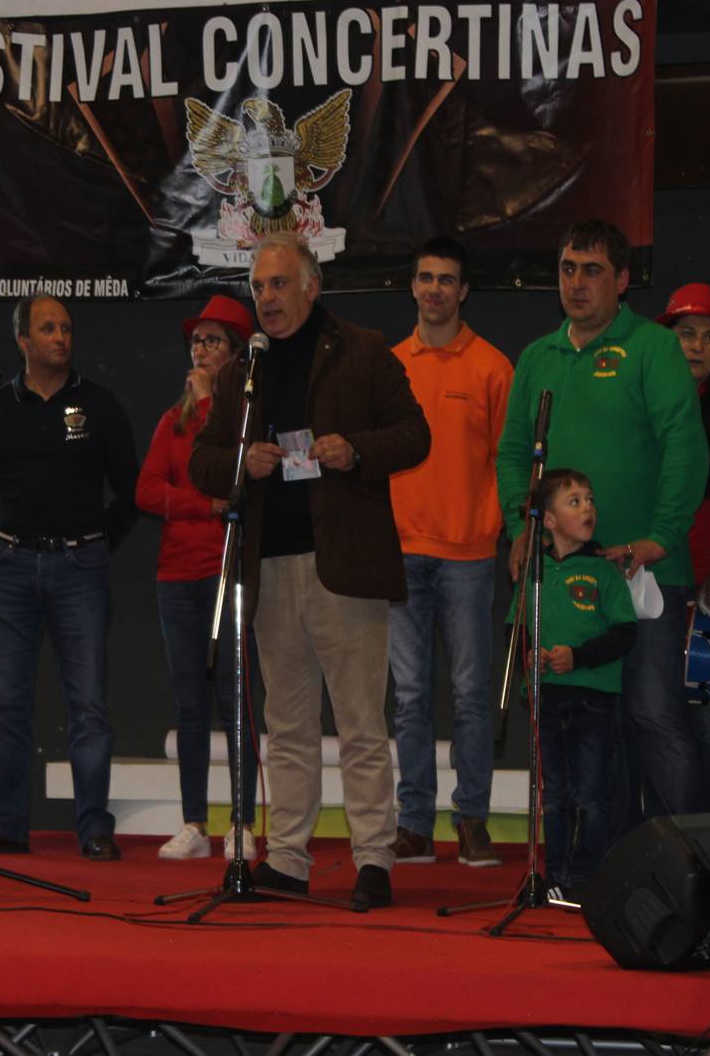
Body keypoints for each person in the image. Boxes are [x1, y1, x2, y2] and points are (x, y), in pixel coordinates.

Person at [190, 233, 430, 911]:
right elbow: (202, 460)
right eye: (257, 287)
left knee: (360, 724)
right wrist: (243, 463)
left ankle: (373, 859)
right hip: (268, 567)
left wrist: (355, 450)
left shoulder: (362, 350)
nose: (266, 298)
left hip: (344, 568)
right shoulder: (244, 369)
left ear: (311, 286)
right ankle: (288, 859)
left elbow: (415, 434)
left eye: (278, 284)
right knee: (287, 725)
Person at [497, 221, 708, 827]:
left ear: (621, 280)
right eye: (568, 269)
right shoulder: (538, 357)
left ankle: (682, 861)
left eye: (592, 270)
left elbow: (684, 446)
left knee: (652, 714)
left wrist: (660, 537)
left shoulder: (653, 347)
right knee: (589, 725)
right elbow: (513, 454)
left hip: (645, 572)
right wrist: (522, 526)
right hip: (564, 576)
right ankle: (602, 861)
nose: (577, 283)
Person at [0, 295, 140, 861]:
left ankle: (93, 828)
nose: (61, 336)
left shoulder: (98, 404)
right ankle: (4, 824)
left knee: (88, 706)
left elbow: (130, 488)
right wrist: (7, 538)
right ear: (23, 341)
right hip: (7, 567)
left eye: (66, 327)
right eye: (48, 328)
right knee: (6, 706)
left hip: (79, 567)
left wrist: (96, 541)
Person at [387, 236, 512, 868]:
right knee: (409, 696)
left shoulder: (492, 367)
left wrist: (505, 530)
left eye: (446, 280)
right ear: (413, 286)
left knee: (469, 694)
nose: (435, 289)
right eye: (425, 278)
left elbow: (509, 462)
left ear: (463, 291)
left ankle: (471, 820)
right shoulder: (388, 365)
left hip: (468, 553)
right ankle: (413, 823)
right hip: (400, 551)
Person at [136, 294, 263, 861]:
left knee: (235, 700)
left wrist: (212, 401)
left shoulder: (242, 417)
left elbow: (234, 478)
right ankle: (194, 822)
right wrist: (201, 506)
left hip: (224, 570)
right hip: (176, 576)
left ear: (235, 354)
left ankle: (241, 821)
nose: (201, 351)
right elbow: (146, 490)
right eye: (196, 342)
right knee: (189, 704)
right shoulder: (173, 420)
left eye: (213, 341)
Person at [523, 469, 636, 903]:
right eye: (574, 501)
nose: (587, 507)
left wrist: (579, 656)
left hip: (593, 695)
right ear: (549, 521)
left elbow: (624, 633)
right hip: (549, 696)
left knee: (591, 793)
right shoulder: (535, 570)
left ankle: (587, 877)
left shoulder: (603, 570)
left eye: (590, 499)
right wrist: (531, 656)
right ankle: (555, 875)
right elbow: (518, 631)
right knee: (554, 794)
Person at [656, 283, 710, 812]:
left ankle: (708, 834)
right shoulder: (645, 396)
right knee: (654, 714)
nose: (697, 346)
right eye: (686, 333)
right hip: (653, 581)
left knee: (706, 718)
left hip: (708, 586)